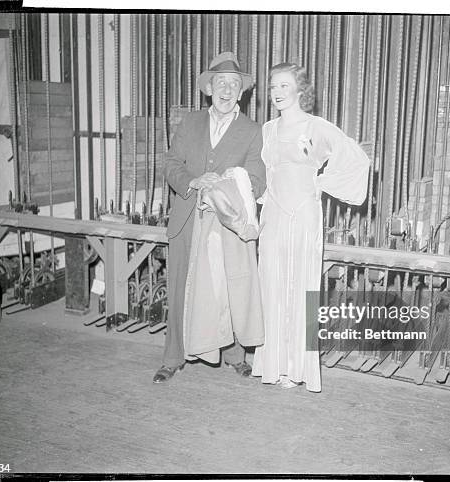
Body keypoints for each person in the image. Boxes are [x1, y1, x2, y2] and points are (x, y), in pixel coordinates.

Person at [251, 63, 370, 392]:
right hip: (273, 214)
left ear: (301, 90)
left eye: (284, 86)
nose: (276, 92)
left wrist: (322, 181)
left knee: (300, 286)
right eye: (273, 86)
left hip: (304, 214)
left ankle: (295, 368)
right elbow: (267, 174)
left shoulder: (317, 127)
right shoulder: (267, 130)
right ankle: (272, 365)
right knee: (272, 285)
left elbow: (357, 159)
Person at [154, 52, 266, 383]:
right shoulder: (190, 123)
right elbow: (171, 163)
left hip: (226, 224)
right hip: (187, 220)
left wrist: (227, 184)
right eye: (221, 83)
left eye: (234, 84)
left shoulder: (252, 130)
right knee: (179, 291)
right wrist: (193, 181)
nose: (227, 90)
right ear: (209, 88)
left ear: (242, 91)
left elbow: (257, 178)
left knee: (227, 289)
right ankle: (172, 357)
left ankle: (234, 354)